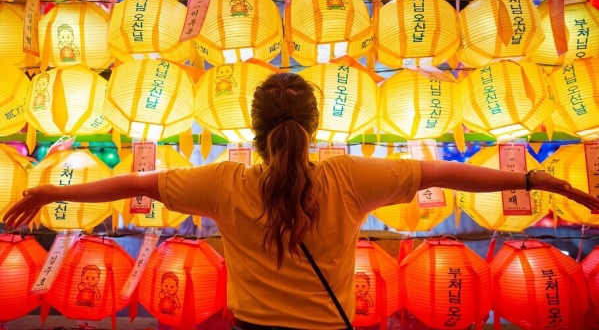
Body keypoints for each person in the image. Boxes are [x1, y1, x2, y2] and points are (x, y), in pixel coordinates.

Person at [4, 72, 599, 330]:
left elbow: (134, 184)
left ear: (254, 132)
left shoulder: (224, 184)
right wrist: (536, 182)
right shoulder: (348, 179)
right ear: (313, 127)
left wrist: (55, 189)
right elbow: (453, 175)